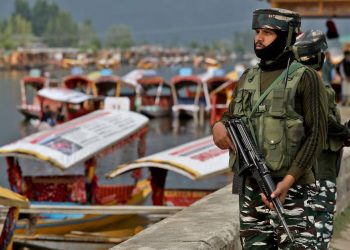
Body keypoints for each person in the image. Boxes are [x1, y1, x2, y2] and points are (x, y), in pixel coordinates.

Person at [212, 8, 328, 249]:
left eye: (267, 33)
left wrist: (288, 181)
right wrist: (218, 126)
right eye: (257, 32)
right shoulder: (248, 77)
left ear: (287, 36)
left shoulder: (305, 77)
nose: (259, 38)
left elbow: (317, 134)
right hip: (252, 190)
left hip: (293, 189)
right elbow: (231, 116)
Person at [293, 29, 350, 249]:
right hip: (321, 171)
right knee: (320, 232)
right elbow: (325, 123)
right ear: (320, 57)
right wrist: (345, 133)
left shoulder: (295, 86)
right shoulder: (319, 88)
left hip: (304, 171)